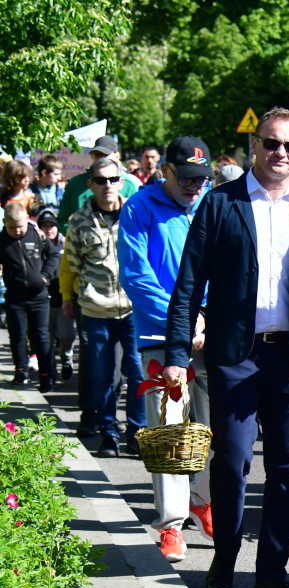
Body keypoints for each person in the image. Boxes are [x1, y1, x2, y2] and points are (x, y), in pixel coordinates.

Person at [163, 107, 289, 588]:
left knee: (288, 470)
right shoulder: (221, 203)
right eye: (272, 143)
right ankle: (224, 562)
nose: (281, 153)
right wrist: (177, 353)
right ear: (254, 145)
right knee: (233, 463)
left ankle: (273, 576)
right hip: (235, 356)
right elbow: (188, 286)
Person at [118, 135, 217, 563]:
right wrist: (184, 321)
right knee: (170, 431)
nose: (196, 186)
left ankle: (203, 499)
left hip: (211, 333)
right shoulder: (138, 209)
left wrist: (208, 316)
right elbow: (137, 277)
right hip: (161, 336)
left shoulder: (212, 204)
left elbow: (227, 266)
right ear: (166, 172)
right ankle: (172, 522)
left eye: (203, 178)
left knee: (218, 430)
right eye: (188, 178)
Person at [64, 158, 145, 457]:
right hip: (96, 308)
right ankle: (108, 432)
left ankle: (137, 432)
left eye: (112, 179)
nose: (107, 185)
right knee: (102, 375)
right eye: (100, 180)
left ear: (121, 181)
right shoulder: (78, 221)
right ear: (90, 184)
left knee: (138, 372)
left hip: (133, 308)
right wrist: (70, 295)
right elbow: (73, 263)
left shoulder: (136, 213)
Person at [0, 203, 58, 391]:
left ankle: (46, 374)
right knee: (17, 335)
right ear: (4, 223)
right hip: (15, 297)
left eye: (20, 226)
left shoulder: (37, 235)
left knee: (41, 336)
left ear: (27, 220)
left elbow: (53, 256)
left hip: (38, 295)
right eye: (12, 228)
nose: (17, 231)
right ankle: (20, 371)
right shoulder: (2, 241)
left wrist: (46, 276)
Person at [57, 135, 139, 232]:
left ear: (117, 156)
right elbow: (62, 221)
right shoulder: (75, 185)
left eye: (105, 155)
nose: (101, 159)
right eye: (97, 155)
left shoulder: (131, 185)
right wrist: (79, 231)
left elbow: (141, 221)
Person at [37, 207, 75, 381]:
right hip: (43, 299)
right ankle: (50, 372)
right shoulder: (36, 246)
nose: (49, 229)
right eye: (44, 226)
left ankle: (66, 358)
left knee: (67, 335)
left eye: (52, 225)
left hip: (62, 298)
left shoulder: (66, 243)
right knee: (47, 338)